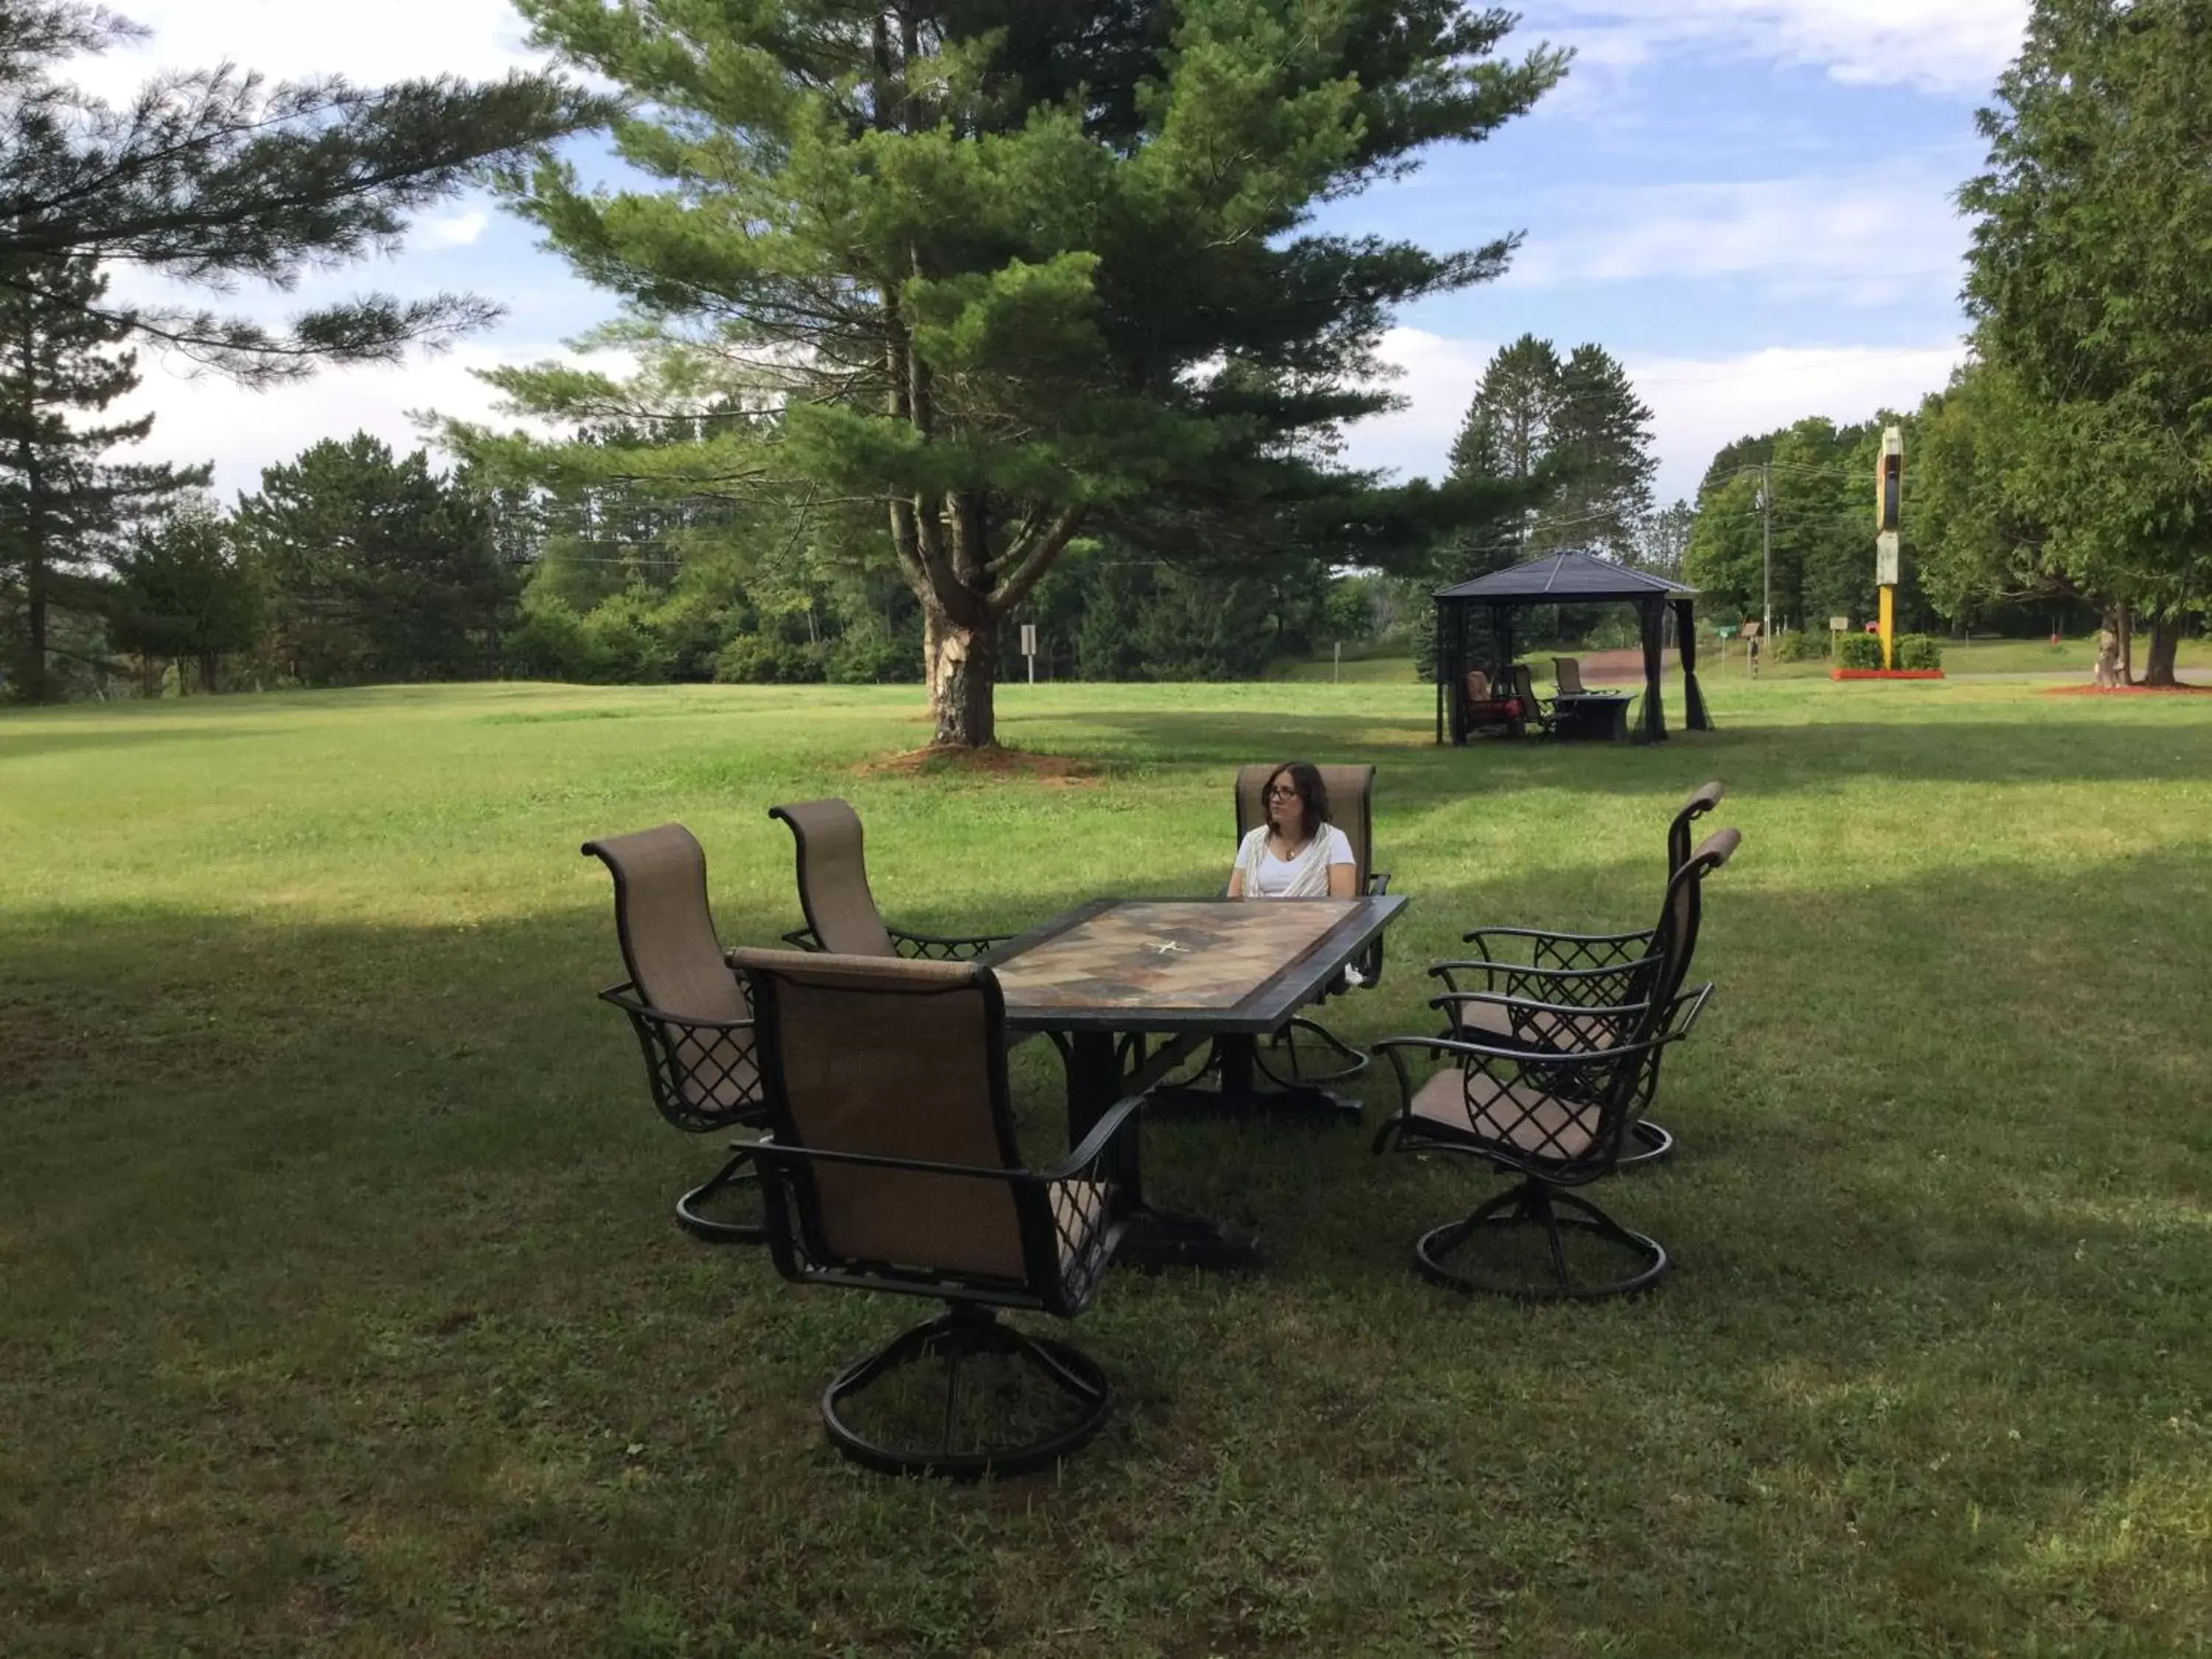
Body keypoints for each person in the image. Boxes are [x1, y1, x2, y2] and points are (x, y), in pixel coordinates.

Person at [1228, 761, 1358, 899]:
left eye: (1287, 792)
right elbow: (1234, 901)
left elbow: (1343, 906)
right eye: (1274, 791)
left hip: (1316, 919)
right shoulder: (1253, 841)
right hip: (1255, 918)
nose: (1276, 799)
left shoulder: (1333, 841)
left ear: (1308, 798)